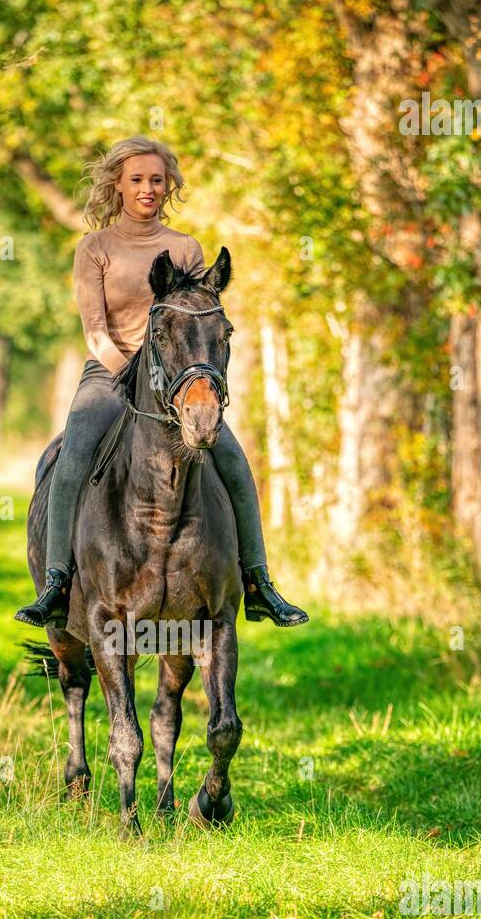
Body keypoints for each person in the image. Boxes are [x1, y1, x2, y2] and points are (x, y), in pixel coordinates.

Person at [16, 135, 308, 631]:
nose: (148, 189)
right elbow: (95, 330)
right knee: (73, 458)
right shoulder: (95, 248)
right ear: (118, 186)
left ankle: (259, 583)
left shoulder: (186, 248)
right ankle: (57, 584)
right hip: (109, 374)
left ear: (167, 184)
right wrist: (130, 379)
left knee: (234, 460)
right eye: (137, 180)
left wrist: (186, 383)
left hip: (176, 380)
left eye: (156, 179)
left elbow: (197, 321)